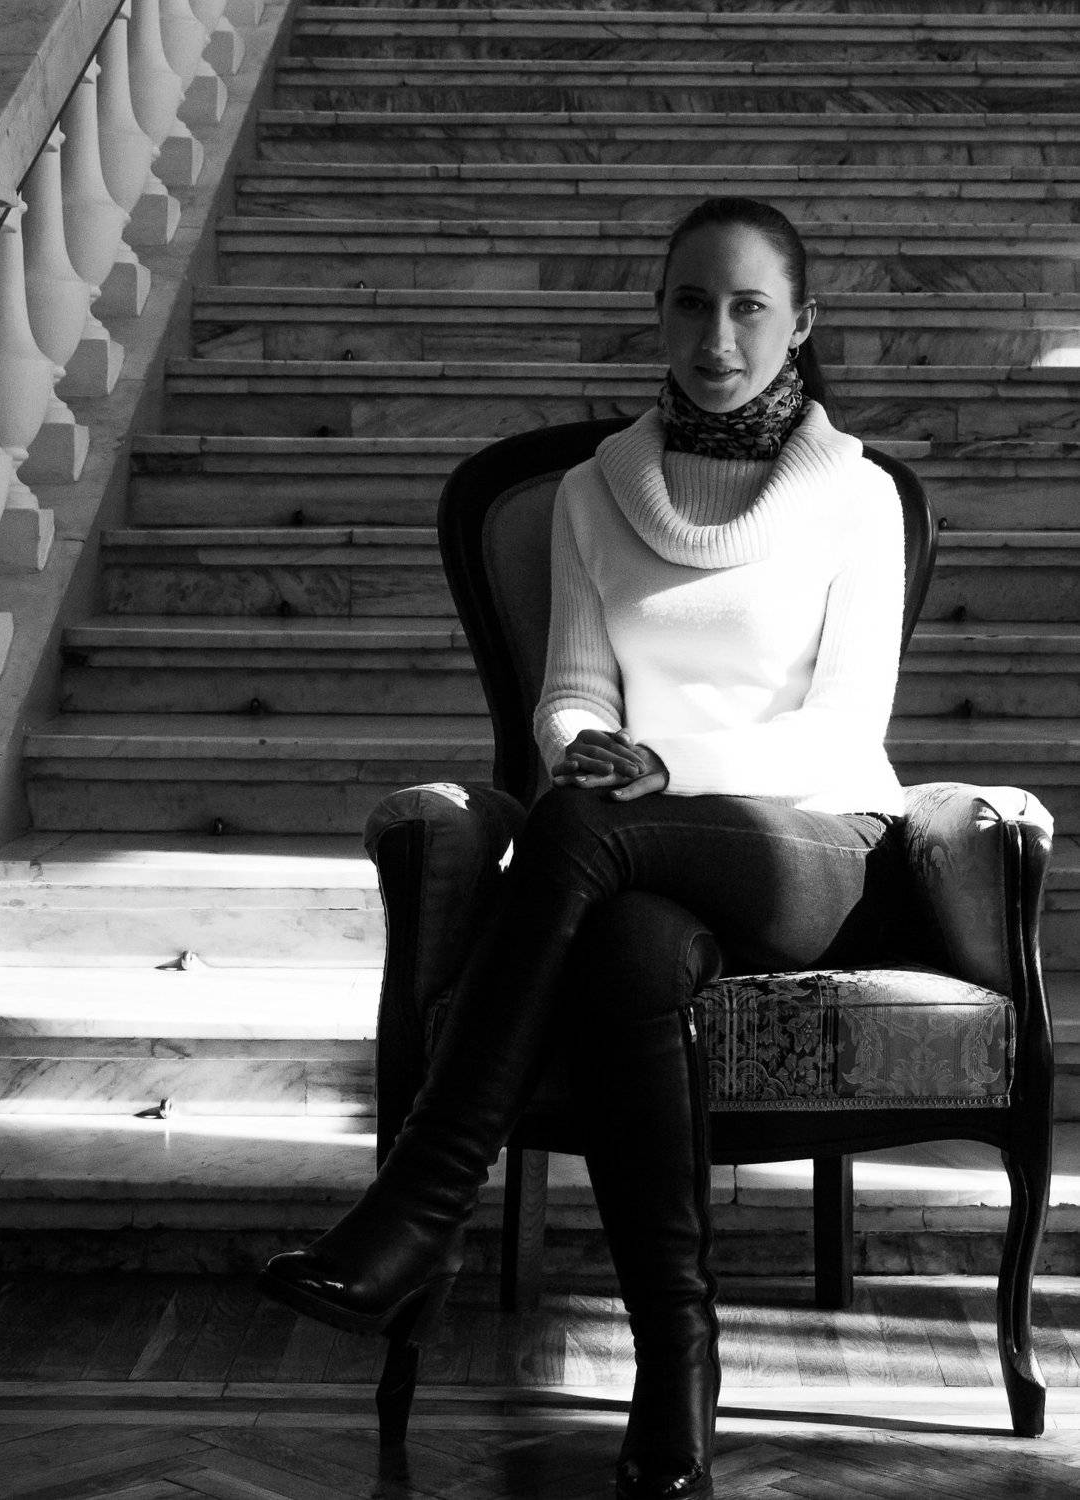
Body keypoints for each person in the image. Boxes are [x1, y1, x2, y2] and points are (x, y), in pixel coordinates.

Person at [260, 197, 915, 1500]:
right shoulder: (594, 490)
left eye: (748, 308)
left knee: (577, 837)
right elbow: (569, 689)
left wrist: (657, 770)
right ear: (657, 313)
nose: (716, 336)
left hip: (812, 838)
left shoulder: (858, 497)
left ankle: (421, 1202)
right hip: (627, 845)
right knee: (627, 953)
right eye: (690, 303)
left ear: (801, 324)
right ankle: (675, 1370)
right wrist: (585, 750)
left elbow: (843, 729)